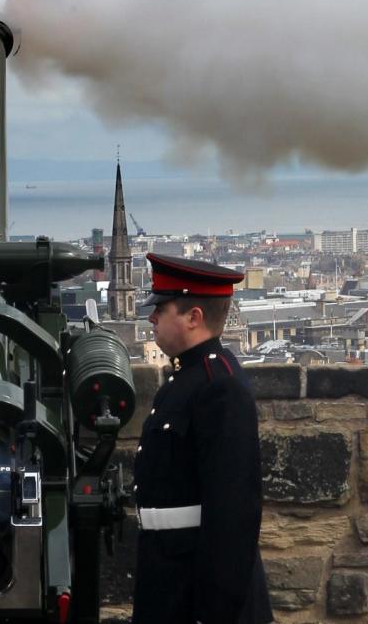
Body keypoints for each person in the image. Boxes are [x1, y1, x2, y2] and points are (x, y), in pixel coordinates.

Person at [131, 254, 272, 624]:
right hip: (167, 579)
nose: (152, 318)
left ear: (194, 317)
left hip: (197, 591)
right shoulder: (186, 381)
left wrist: (213, 614)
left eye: (161, 309)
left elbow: (233, 515)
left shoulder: (219, 386)